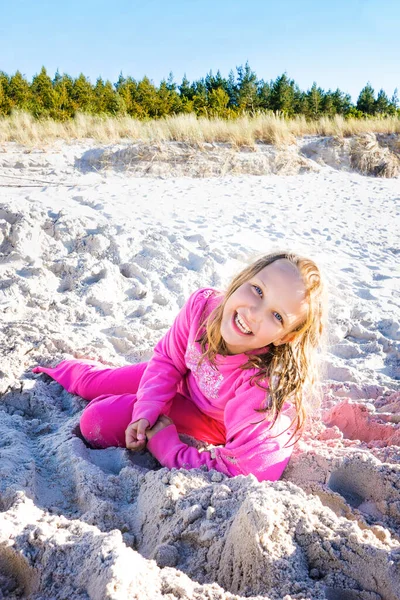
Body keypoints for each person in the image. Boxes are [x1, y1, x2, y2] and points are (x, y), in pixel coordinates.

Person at [33, 252, 325, 482]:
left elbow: (249, 471)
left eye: (276, 315)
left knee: (96, 420)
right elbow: (168, 359)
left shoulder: (264, 387)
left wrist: (169, 449)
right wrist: (147, 408)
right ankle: (55, 369)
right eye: (258, 290)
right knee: (89, 384)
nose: (253, 313)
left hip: (213, 420)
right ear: (244, 277)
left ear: (286, 336)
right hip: (183, 381)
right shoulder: (203, 307)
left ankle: (121, 406)